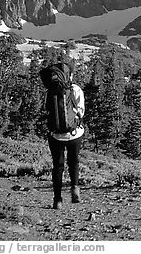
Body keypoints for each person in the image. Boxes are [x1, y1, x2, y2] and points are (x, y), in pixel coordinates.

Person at [46, 71, 85, 210]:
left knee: (58, 166)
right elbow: (81, 112)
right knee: (73, 161)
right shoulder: (75, 89)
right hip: (74, 134)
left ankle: (57, 200)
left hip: (56, 135)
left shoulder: (50, 90)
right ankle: (75, 188)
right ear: (69, 75)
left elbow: (47, 111)